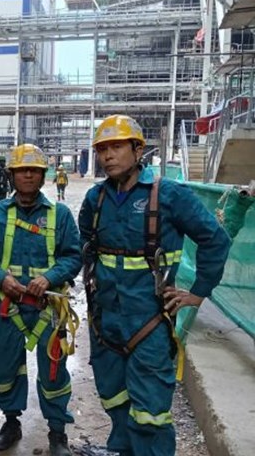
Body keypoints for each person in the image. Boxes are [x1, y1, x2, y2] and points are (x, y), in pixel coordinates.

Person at [79, 115, 231, 456]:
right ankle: (122, 450)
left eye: (117, 147)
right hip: (105, 323)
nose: (108, 156)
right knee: (114, 396)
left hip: (148, 323)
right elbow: (86, 244)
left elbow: (214, 239)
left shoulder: (169, 195)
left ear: (137, 150)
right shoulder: (95, 199)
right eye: (102, 149)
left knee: (150, 412)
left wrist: (199, 292)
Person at [0, 143, 82, 456]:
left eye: (34, 170)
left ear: (42, 176)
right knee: (6, 365)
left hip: (48, 308)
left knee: (53, 370)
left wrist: (49, 277)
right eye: (22, 170)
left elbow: (73, 257)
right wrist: (2, 279)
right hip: (9, 307)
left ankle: (57, 432)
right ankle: (11, 422)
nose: (27, 175)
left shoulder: (60, 215)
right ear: (11, 175)